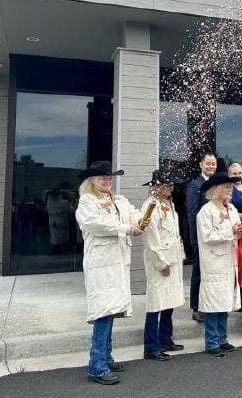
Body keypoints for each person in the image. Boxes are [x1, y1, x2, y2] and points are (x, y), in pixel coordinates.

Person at [74, 161, 147, 385]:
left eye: (109, 178)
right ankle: (97, 366)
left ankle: (106, 356)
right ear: (92, 181)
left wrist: (146, 213)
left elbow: (134, 215)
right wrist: (126, 229)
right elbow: (97, 224)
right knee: (103, 312)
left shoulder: (118, 200)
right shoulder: (88, 201)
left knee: (112, 309)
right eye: (102, 178)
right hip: (101, 264)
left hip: (116, 262)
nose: (107, 181)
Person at [140, 169, 186, 361]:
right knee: (156, 302)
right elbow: (150, 237)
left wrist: (181, 254)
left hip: (173, 257)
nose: (171, 188)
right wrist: (160, 262)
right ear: (156, 187)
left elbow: (175, 233)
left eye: (172, 185)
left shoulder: (169, 204)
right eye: (167, 185)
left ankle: (165, 339)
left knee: (170, 300)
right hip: (160, 260)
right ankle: (151, 347)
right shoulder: (151, 206)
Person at [196, 172, 242, 357]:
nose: (230, 191)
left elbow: (236, 230)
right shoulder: (206, 212)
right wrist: (229, 231)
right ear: (216, 190)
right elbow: (207, 237)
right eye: (227, 187)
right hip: (214, 262)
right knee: (212, 304)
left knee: (224, 301)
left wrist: (238, 230)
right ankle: (211, 341)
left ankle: (222, 338)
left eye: (230, 187)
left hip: (229, 260)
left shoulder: (231, 209)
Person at [186, 153, 218, 323]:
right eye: (208, 163)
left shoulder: (215, 184)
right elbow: (191, 213)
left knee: (210, 273)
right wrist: (195, 238)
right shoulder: (195, 185)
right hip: (200, 237)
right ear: (201, 165)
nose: (211, 166)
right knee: (198, 272)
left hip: (215, 238)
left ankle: (208, 304)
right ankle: (196, 308)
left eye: (213, 164)